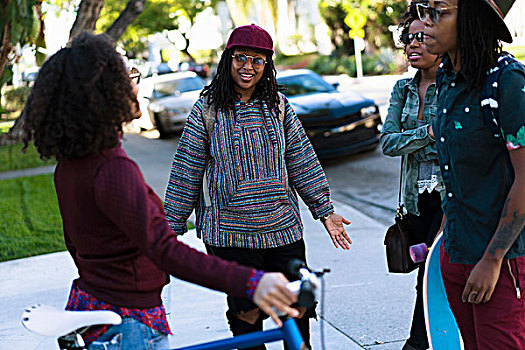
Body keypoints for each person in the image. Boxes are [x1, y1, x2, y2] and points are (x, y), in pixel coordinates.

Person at [19, 31, 300, 350]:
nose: (137, 85)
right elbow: (164, 250)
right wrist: (253, 282)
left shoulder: (71, 166)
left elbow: (76, 244)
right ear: (104, 94)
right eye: (130, 77)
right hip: (128, 321)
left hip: (92, 304)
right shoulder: (112, 170)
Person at [163, 24, 352, 349]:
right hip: (231, 235)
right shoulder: (207, 108)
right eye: (240, 58)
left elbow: (302, 160)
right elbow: (186, 169)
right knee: (247, 314)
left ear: (267, 65)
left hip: (282, 231)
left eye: (257, 60)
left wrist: (326, 211)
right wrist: (169, 229)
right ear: (228, 60)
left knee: (298, 307)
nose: (248, 67)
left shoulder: (278, 106)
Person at [416, 0, 525, 348]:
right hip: (456, 254)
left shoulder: (507, 81)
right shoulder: (447, 78)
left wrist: (492, 259)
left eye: (440, 12)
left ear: (473, 20)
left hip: (502, 261)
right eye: (425, 9)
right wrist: (445, 244)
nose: (425, 23)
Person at [381, 5, 444, 350]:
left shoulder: (454, 86)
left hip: (450, 198)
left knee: (432, 274)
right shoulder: (402, 90)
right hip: (415, 200)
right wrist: (431, 133)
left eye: (422, 37)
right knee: (424, 277)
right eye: (408, 38)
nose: (413, 45)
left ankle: (418, 342)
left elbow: (458, 140)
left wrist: (418, 137)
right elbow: (388, 143)